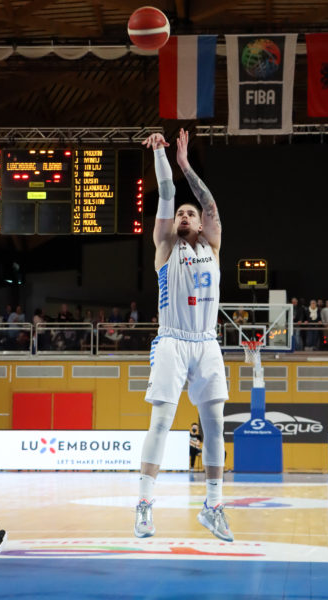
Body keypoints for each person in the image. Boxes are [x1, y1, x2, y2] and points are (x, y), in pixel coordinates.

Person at [134, 129, 232, 542]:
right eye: (180, 215)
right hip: (172, 340)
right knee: (160, 422)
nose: (186, 217)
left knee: (215, 425)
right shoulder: (165, 245)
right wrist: (164, 157)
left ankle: (213, 507)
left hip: (207, 342)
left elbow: (209, 203)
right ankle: (144, 504)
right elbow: (167, 190)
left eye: (191, 214)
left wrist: (188, 166)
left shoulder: (212, 244)